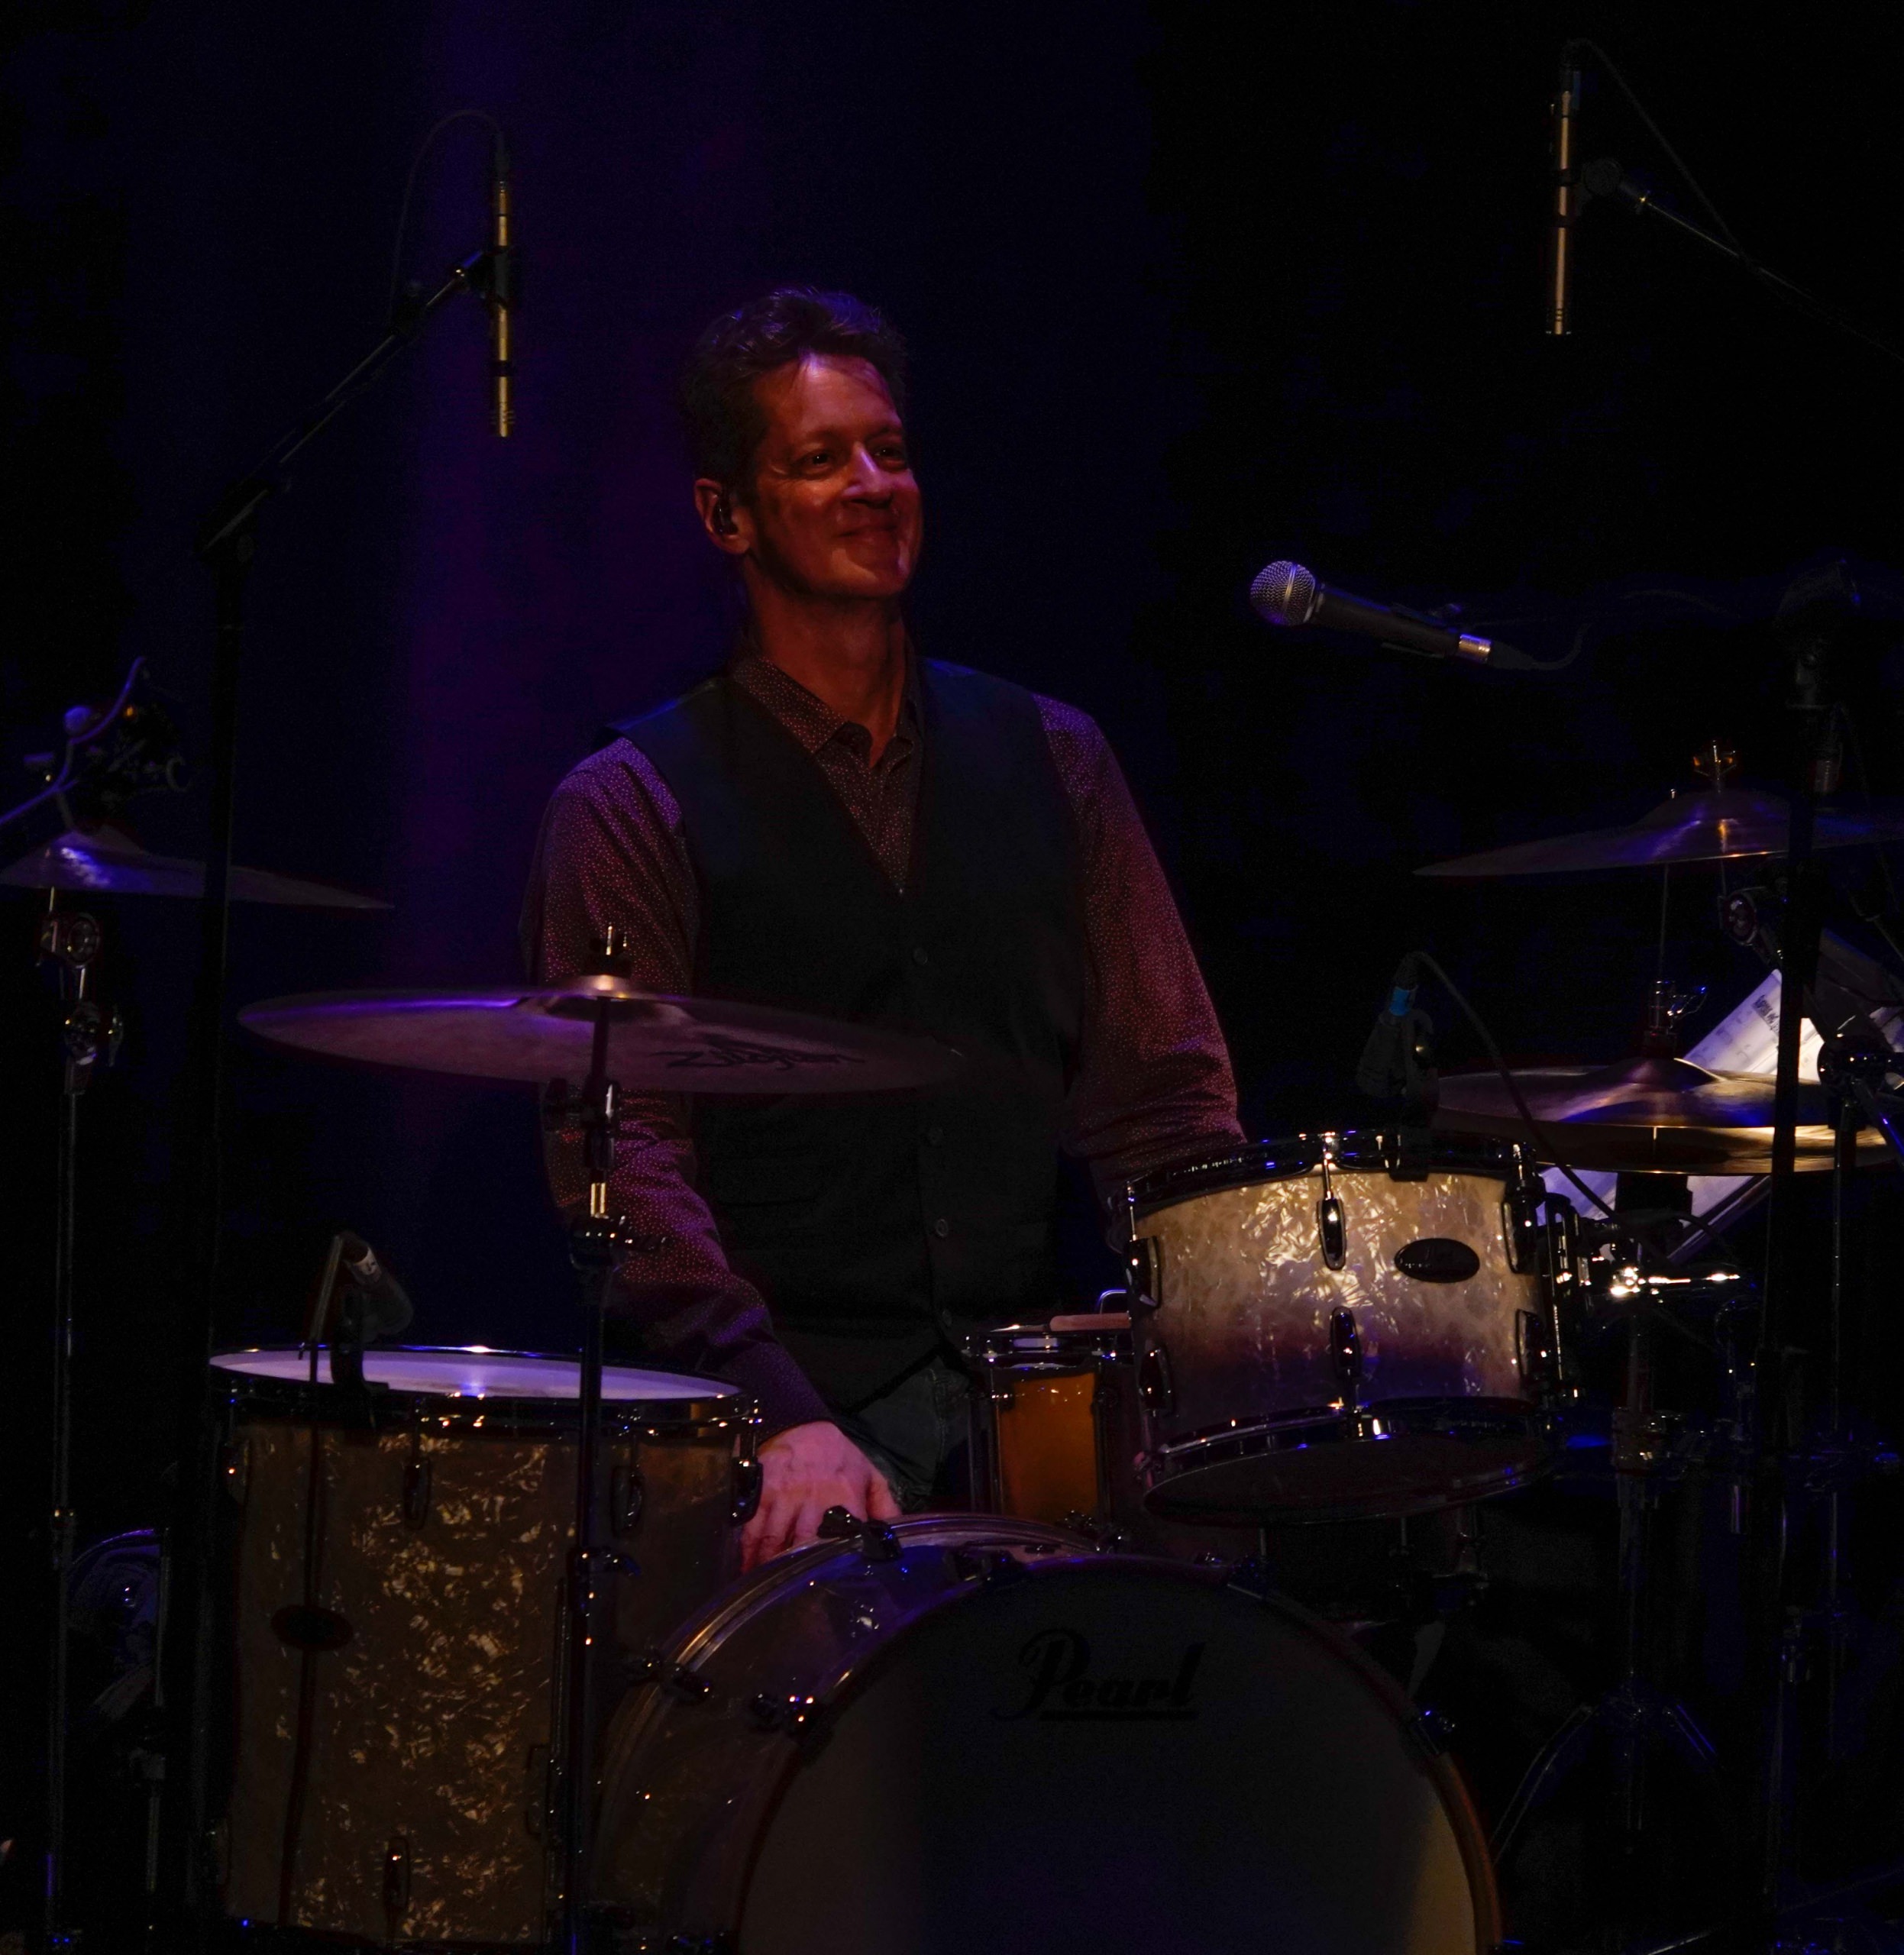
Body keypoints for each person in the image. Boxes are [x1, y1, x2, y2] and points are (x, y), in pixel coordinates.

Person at [522, 287, 1240, 1568]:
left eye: (890, 452)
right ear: (725, 515)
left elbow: (1164, 1095)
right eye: (819, 460)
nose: (871, 486)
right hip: (775, 1411)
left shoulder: (1056, 756)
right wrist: (774, 1408)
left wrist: (1214, 1333)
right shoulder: (629, 801)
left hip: (1034, 1394)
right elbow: (620, 1158)